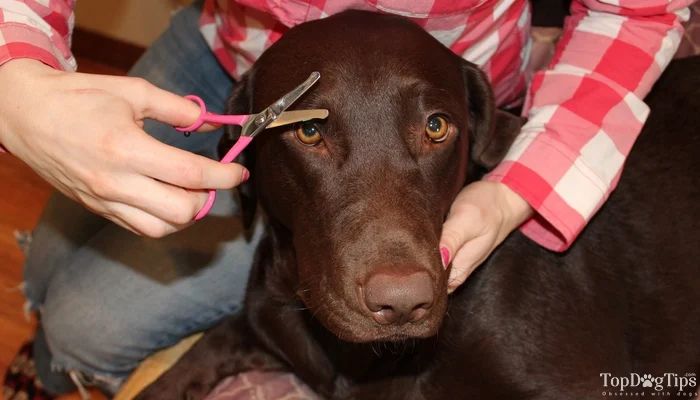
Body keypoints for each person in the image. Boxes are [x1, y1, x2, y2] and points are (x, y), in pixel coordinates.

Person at [0, 0, 694, 396]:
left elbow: (639, 11)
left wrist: (519, 190)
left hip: (436, 63)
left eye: (440, 132)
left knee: (86, 324)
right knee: (44, 271)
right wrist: (16, 86)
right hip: (233, 48)